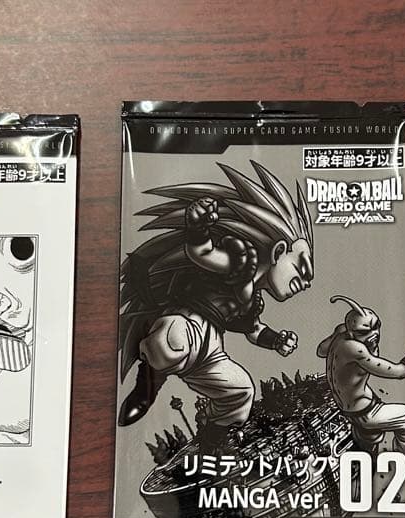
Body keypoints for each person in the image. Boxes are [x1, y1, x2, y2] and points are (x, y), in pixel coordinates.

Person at [117, 161, 314, 448]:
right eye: (301, 269)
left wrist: (275, 340)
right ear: (279, 251)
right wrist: (197, 226)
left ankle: (213, 436)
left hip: (212, 350)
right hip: (187, 323)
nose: (305, 282)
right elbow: (202, 253)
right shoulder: (240, 260)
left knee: (242, 390)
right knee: (172, 341)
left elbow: (254, 330)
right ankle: (147, 386)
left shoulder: (253, 303)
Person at [317, 295, 405, 467]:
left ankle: (368, 461)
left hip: (354, 408)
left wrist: (338, 333)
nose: (374, 334)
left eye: (376, 326)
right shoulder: (355, 349)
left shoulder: (341, 335)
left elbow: (321, 350)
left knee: (370, 445)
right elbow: (400, 372)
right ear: (352, 333)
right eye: (365, 332)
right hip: (365, 412)